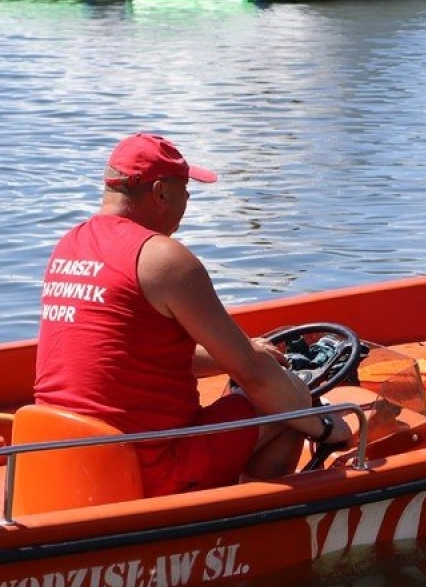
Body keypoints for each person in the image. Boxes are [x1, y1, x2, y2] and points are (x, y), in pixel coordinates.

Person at [36, 132, 349, 494]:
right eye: (186, 189)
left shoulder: (68, 245)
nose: (187, 200)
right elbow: (255, 375)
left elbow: (132, 355)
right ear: (161, 192)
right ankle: (253, 521)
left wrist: (236, 355)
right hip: (148, 468)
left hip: (65, 456)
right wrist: (324, 424)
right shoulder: (163, 259)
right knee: (284, 404)